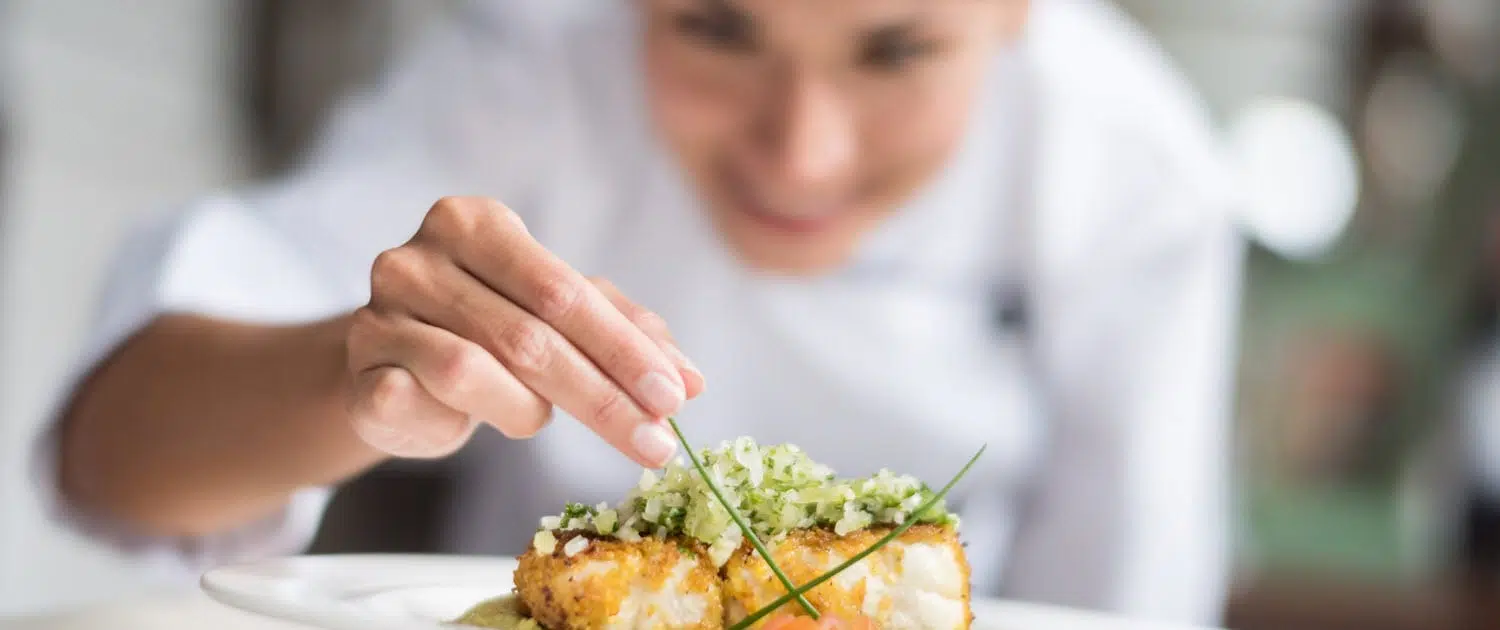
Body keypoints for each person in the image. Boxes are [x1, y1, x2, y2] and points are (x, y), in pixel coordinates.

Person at [30, 0, 1243, 625]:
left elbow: (1121, 611)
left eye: (895, 52)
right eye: (717, 26)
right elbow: (109, 462)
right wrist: (355, 373)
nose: (802, 155)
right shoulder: (537, 68)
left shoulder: (1132, 172)